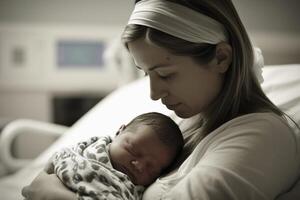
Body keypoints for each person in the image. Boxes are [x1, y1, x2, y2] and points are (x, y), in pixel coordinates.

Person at [22, 0, 300, 199]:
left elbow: (39, 186)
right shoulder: (187, 118)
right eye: (146, 74)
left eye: (165, 74)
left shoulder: (260, 139)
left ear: (221, 57)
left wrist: (46, 191)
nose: (153, 93)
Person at [43, 112, 183, 200]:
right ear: (119, 132)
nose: (139, 166)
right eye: (132, 150)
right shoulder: (87, 148)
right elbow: (59, 158)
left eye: (151, 167)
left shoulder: (132, 190)